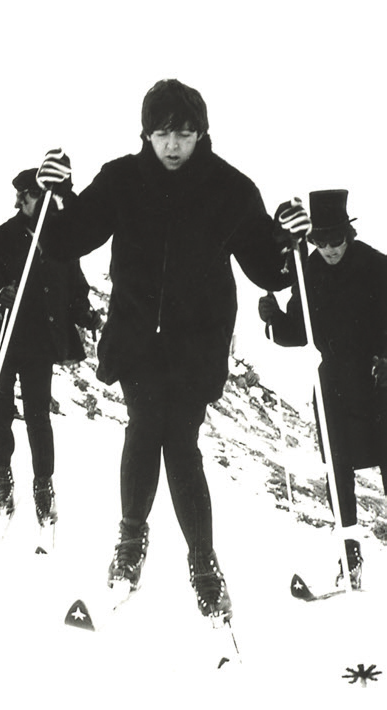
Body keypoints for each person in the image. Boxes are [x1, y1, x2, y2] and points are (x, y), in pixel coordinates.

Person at [35, 78, 310, 619]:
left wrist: (286, 239)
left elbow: (266, 270)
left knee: (179, 440)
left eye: (184, 133)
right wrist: (57, 194)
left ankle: (202, 563)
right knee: (144, 428)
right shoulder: (121, 179)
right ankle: (130, 543)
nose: (173, 145)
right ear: (147, 134)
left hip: (197, 342)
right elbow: (67, 240)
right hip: (137, 336)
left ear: (201, 133)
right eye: (163, 133)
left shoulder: (230, 188)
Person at [258, 189, 387, 589]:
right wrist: (274, 319)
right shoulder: (307, 270)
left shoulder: (377, 265)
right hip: (332, 380)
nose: (329, 248)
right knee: (338, 470)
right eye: (321, 240)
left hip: (379, 377)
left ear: (348, 234)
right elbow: (300, 332)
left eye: (336, 239)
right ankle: (349, 559)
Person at [0, 168, 101, 524]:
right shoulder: (1, 237)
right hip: (1, 337)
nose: (27, 201)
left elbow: (74, 288)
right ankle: (2, 478)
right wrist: (0, 294)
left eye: (35, 195)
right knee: (0, 412)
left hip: (38, 342)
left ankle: (43, 485)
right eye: (27, 196)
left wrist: (86, 314)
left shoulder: (59, 242)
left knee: (37, 416)